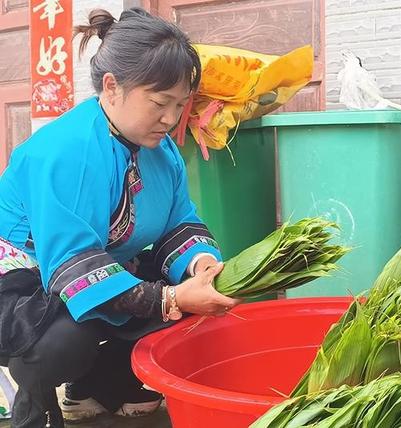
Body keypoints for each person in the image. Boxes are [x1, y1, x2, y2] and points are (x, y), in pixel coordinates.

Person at [0, 7, 241, 427]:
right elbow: (73, 268)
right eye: (160, 102)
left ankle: (101, 385)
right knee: (64, 340)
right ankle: (34, 401)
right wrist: (172, 298)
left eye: (180, 105)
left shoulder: (161, 152)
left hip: (90, 271)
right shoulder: (63, 151)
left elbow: (179, 222)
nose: (170, 119)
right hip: (23, 286)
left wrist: (201, 266)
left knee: (191, 294)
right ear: (112, 87)